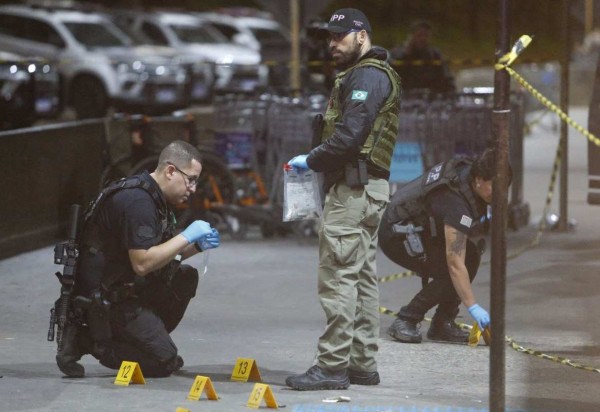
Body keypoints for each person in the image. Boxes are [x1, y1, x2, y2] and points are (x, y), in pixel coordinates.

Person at [285, 8, 401, 390]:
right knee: (363, 278)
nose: (332, 44)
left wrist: (312, 160)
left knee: (337, 278)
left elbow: (350, 137)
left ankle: (332, 366)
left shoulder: (366, 76)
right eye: (329, 38)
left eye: (340, 37)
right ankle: (362, 363)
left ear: (362, 36)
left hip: (354, 191)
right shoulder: (368, 73)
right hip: (369, 189)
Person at [55, 140, 221, 378]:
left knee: (184, 277)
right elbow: (143, 263)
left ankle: (145, 342)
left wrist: (195, 246)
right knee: (163, 362)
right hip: (105, 298)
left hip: (125, 286)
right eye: (191, 179)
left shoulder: (152, 196)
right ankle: (86, 340)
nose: (193, 188)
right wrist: (186, 234)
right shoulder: (139, 201)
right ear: (171, 170)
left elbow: (160, 253)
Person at [378, 149, 501, 344]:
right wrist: (473, 306)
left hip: (419, 229)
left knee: (470, 258)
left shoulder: (468, 173)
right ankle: (406, 319)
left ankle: (442, 324)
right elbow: (454, 264)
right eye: (495, 186)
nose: (500, 193)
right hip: (396, 235)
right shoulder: (455, 203)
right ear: (479, 179)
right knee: (451, 271)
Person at [390, 20, 455, 96]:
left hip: (429, 98)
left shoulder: (434, 55)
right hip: (405, 97)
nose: (423, 39)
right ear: (411, 36)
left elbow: (447, 78)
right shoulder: (397, 53)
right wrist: (405, 54)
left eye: (426, 35)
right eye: (419, 35)